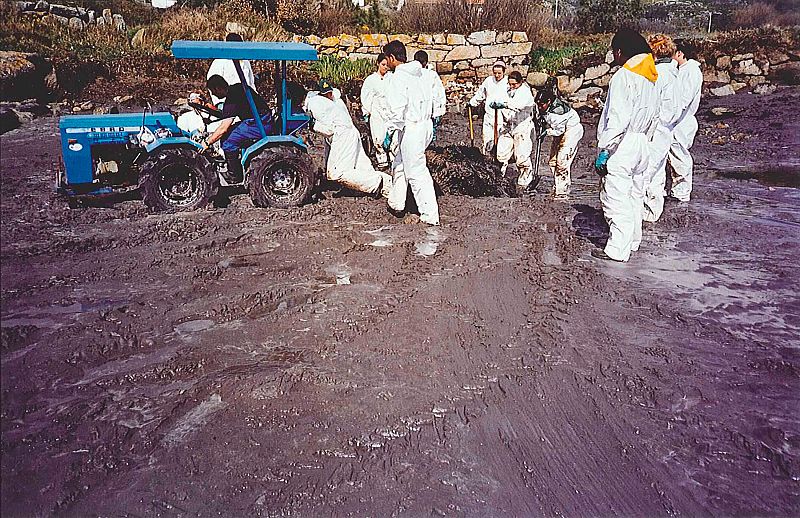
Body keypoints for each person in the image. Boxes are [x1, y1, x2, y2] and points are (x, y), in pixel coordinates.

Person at [593, 28, 660, 262]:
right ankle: (632, 242)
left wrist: (605, 149)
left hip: (623, 144)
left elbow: (618, 118)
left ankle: (617, 250)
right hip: (642, 142)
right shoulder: (651, 78)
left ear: (620, 51)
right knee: (635, 195)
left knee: (616, 197)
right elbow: (656, 115)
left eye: (614, 52)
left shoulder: (624, 77)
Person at [382, 40, 440, 225]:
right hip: (424, 125)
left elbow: (397, 110)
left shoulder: (399, 77)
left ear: (391, 58)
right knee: (400, 163)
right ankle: (397, 202)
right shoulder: (420, 73)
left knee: (416, 171)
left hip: (411, 128)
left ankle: (430, 215)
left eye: (387, 59)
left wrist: (390, 131)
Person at [304, 80, 391, 198]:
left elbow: (329, 130)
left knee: (336, 173)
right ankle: (387, 185)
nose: (328, 96)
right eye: (325, 94)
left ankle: (377, 182)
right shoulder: (335, 101)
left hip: (343, 135)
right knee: (360, 165)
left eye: (329, 93)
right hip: (351, 133)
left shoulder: (319, 103)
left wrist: (314, 125)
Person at [202, 75, 273, 183]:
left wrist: (207, 143)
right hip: (258, 119)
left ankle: (234, 176)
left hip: (260, 123)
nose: (213, 94)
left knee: (228, 139)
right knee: (230, 133)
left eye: (213, 91)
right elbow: (228, 114)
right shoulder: (236, 89)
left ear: (218, 88)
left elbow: (223, 128)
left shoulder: (232, 98)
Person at [642, 33, 680, 222]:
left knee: (645, 172)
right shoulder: (673, 73)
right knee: (657, 172)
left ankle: (641, 214)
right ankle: (652, 213)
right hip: (667, 128)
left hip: (657, 128)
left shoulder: (659, 74)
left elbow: (650, 105)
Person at [488, 71, 536, 195]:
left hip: (522, 128)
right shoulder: (508, 91)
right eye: (510, 84)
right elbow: (498, 99)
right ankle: (500, 179)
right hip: (508, 126)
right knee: (501, 154)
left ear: (520, 82)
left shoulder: (525, 92)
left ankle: (524, 183)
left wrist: (505, 104)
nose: (511, 86)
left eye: (514, 84)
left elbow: (519, 106)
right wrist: (496, 103)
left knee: (522, 157)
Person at [668, 39, 703, 203]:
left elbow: (684, 99)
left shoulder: (692, 71)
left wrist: (669, 115)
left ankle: (682, 192)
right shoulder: (680, 70)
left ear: (680, 53)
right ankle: (674, 190)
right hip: (674, 120)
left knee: (680, 157)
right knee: (670, 157)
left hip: (682, 120)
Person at [534, 87, 584, 199]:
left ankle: (562, 191)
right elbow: (544, 118)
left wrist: (546, 132)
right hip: (559, 129)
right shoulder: (543, 107)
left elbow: (559, 130)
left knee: (562, 161)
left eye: (542, 104)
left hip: (571, 130)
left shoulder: (558, 112)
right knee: (552, 161)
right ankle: (558, 185)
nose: (540, 107)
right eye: (538, 104)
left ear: (549, 102)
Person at [468, 61, 509, 156]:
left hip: (502, 117)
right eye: (495, 73)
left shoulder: (507, 82)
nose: (497, 75)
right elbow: (480, 94)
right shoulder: (489, 81)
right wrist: (471, 103)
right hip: (489, 116)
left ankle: (500, 164)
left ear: (504, 72)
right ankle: (487, 161)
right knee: (487, 141)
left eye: (499, 73)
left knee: (500, 143)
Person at [207, 33, 257, 108]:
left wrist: (254, 98)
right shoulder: (220, 61)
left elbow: (251, 83)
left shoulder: (245, 61)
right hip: (226, 102)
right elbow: (213, 84)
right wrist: (219, 104)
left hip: (246, 101)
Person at [360, 53, 393, 168]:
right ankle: (382, 160)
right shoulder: (371, 80)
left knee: (392, 136)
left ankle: (393, 159)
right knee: (378, 137)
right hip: (376, 111)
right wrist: (367, 111)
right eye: (383, 64)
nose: (385, 67)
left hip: (390, 111)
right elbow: (365, 96)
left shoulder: (391, 78)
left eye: (387, 65)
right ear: (378, 64)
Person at [414, 50, 447, 143]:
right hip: (428, 114)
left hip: (421, 115)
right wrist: (439, 111)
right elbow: (439, 94)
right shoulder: (431, 75)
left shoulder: (429, 75)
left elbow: (438, 94)